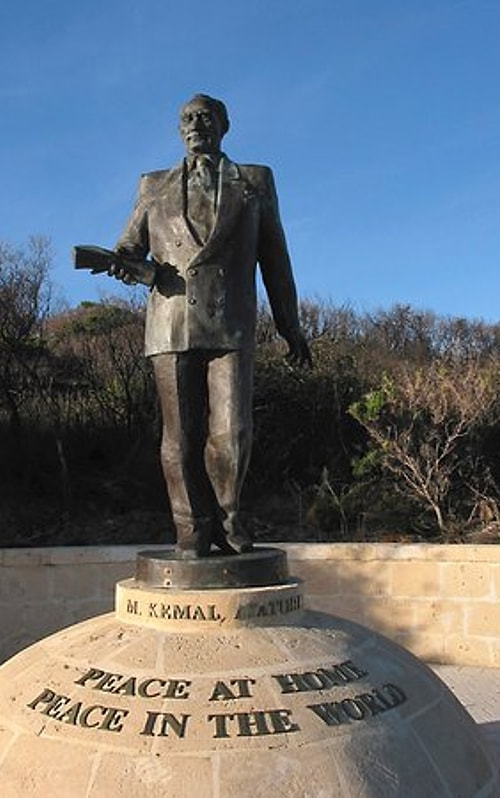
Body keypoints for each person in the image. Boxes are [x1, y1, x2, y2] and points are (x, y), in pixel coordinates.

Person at [109, 93, 310, 558]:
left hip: (230, 321)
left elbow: (276, 260)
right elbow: (128, 247)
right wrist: (123, 265)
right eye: (186, 118)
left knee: (233, 431)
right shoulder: (153, 185)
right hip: (171, 320)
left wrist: (290, 324)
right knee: (179, 435)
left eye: (204, 116)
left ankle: (230, 518)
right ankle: (192, 530)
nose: (194, 123)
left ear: (223, 124)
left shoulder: (255, 181)